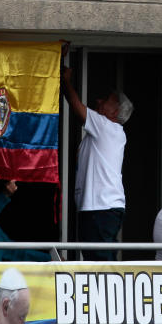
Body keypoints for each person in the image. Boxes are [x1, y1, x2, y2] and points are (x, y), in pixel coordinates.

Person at [61, 67, 133, 261]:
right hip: (100, 208)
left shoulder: (108, 127)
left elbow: (77, 108)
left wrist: (65, 80)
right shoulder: (108, 130)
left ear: (115, 112)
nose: (98, 101)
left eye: (106, 100)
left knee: (100, 266)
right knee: (97, 263)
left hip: (101, 208)